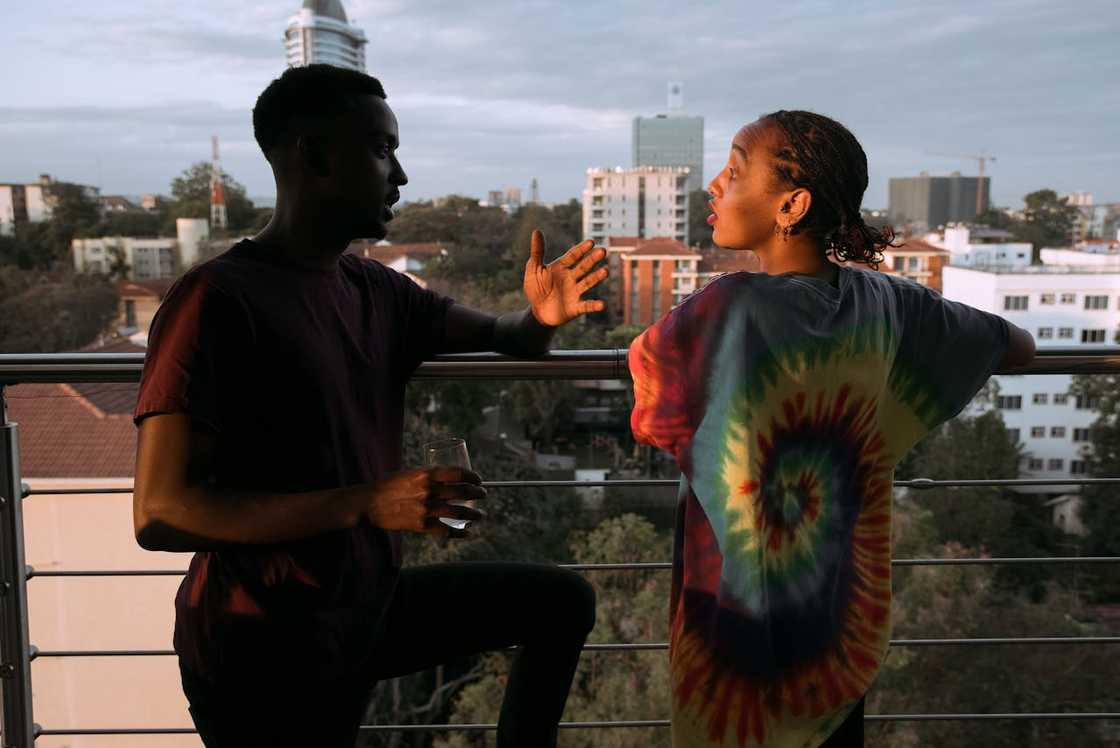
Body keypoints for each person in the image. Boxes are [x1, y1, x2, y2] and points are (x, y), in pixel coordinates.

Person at [131, 64, 608, 748]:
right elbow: (161, 511)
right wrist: (367, 503)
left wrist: (541, 319)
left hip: (360, 613)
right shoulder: (215, 302)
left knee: (561, 603)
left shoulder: (375, 289)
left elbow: (504, 336)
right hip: (262, 644)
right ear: (314, 157)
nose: (401, 176)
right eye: (382, 150)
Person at [627, 110, 1035, 747]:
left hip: (733, 634)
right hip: (836, 629)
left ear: (791, 204)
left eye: (734, 173)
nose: (713, 185)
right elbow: (1018, 346)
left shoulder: (730, 308)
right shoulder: (889, 303)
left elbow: (652, 399)